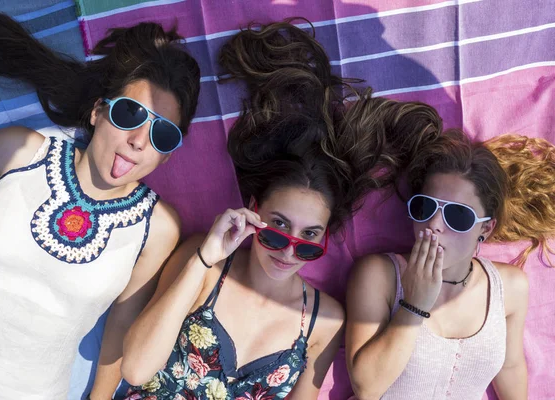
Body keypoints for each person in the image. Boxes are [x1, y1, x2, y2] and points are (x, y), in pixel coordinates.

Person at [119, 20, 443, 400]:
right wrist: (202, 260)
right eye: (277, 227)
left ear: (325, 237)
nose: (289, 251)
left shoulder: (325, 319)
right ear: (253, 211)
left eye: (309, 239)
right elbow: (136, 369)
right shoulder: (204, 265)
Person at [0, 12, 200, 399]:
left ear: (167, 156)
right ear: (98, 111)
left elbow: (118, 331)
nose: (139, 140)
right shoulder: (17, 151)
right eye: (130, 114)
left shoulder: (157, 228)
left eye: (162, 134)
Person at [346, 129, 555, 399]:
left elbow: (511, 367)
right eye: (425, 207)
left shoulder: (509, 287)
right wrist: (414, 306)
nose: (433, 225)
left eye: (457, 215)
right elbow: (366, 388)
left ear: (486, 228)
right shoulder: (378, 275)